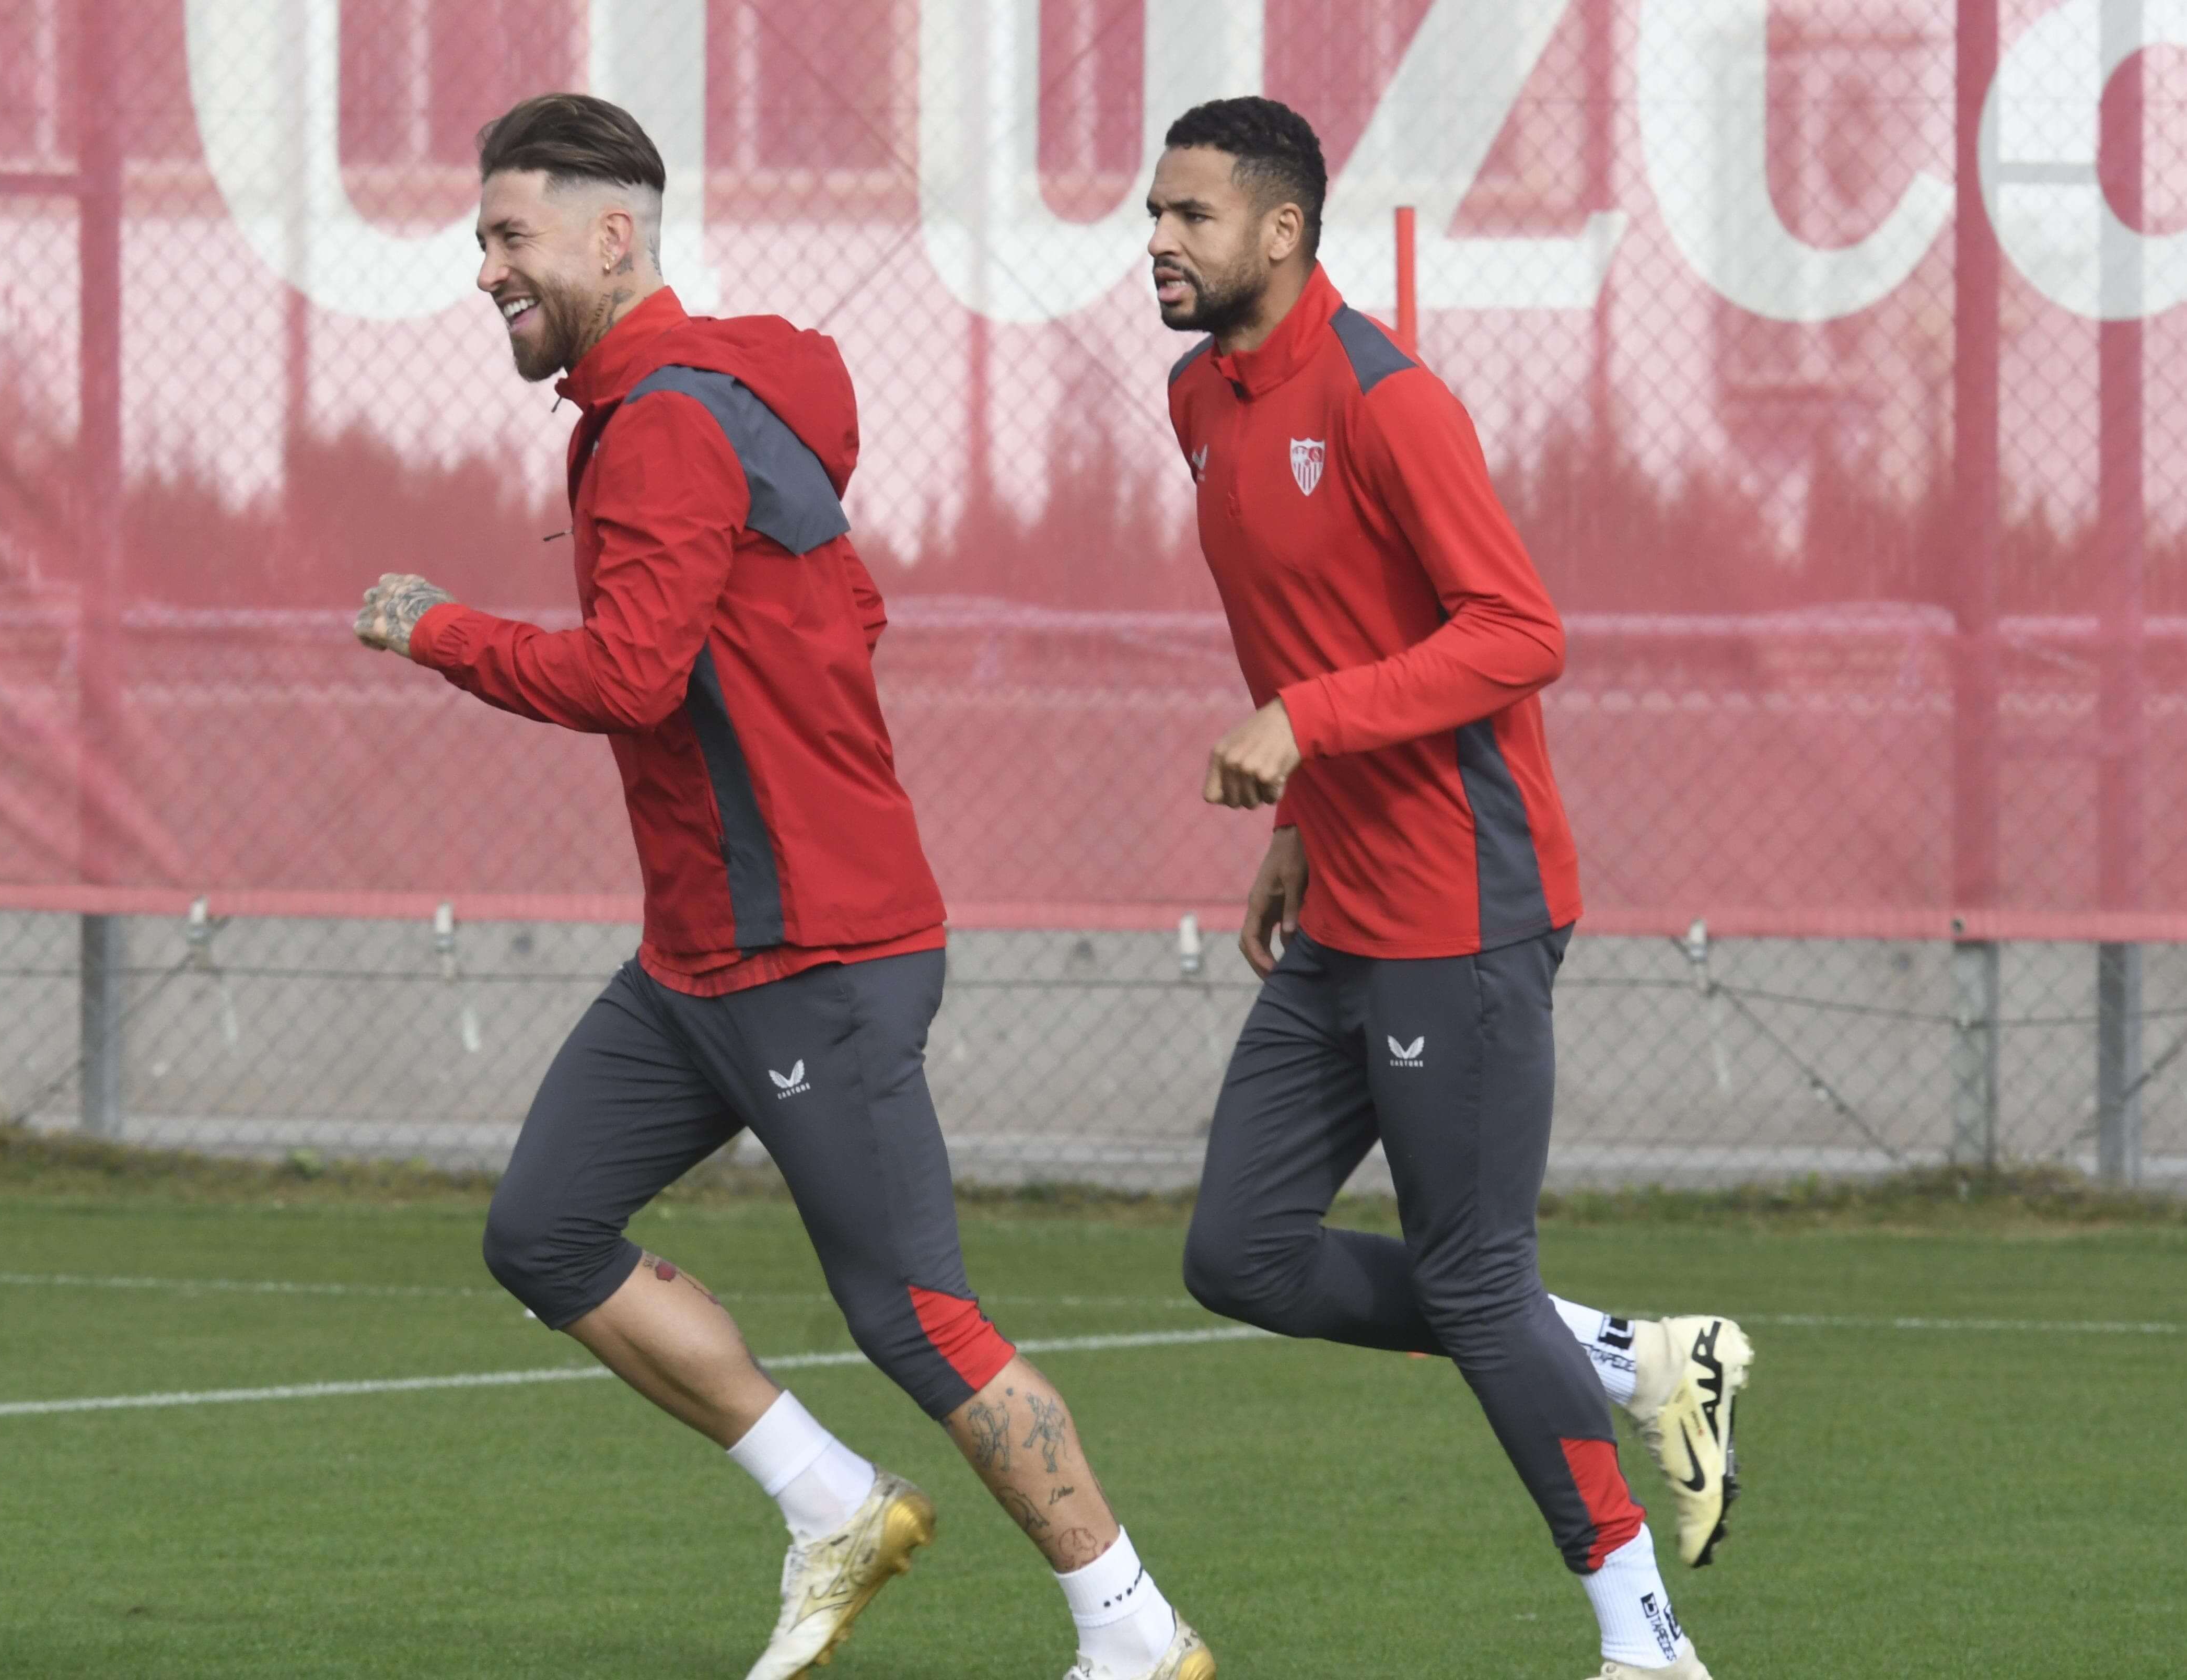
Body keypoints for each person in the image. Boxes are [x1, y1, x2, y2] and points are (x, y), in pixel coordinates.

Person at [352, 93, 1214, 1680]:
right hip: (700, 958)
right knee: (544, 1233)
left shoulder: (672, 417)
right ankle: (834, 1505)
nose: (486, 270)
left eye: (510, 236)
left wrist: (438, 629)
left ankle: (1136, 1632)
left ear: (614, 235)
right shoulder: (682, 405)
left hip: (813, 951)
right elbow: (843, 615)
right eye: (482, 239)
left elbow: (630, 670)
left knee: (915, 1317)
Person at [1146, 97, 1753, 1679]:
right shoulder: (1198, 402)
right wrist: (1298, 819)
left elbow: (1518, 634)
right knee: (1241, 1255)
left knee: (1478, 1280)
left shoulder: (1388, 399)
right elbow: (1310, 621)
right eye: (1155, 214)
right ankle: (1629, 1352)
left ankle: (1649, 1644)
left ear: (1281, 233)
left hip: (1466, 907)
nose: (1158, 241)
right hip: (1343, 900)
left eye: (1190, 217)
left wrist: (1307, 728)